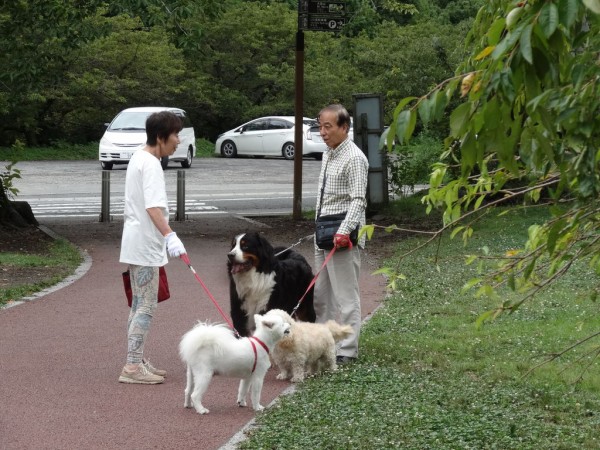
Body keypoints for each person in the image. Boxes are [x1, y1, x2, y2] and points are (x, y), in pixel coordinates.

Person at [118, 110, 187, 384]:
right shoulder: (151, 164)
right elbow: (153, 207)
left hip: (137, 241)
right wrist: (170, 235)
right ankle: (132, 367)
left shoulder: (139, 157)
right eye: (175, 135)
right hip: (144, 244)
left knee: (138, 304)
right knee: (145, 306)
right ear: (161, 137)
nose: (178, 141)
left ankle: (137, 359)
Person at [314, 104, 369, 364]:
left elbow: (358, 201)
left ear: (344, 128)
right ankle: (321, 346)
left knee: (346, 297)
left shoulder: (355, 158)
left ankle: (347, 350)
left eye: (328, 126)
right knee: (320, 296)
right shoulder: (329, 153)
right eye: (320, 126)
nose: (323, 132)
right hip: (322, 233)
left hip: (342, 237)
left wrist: (344, 232)